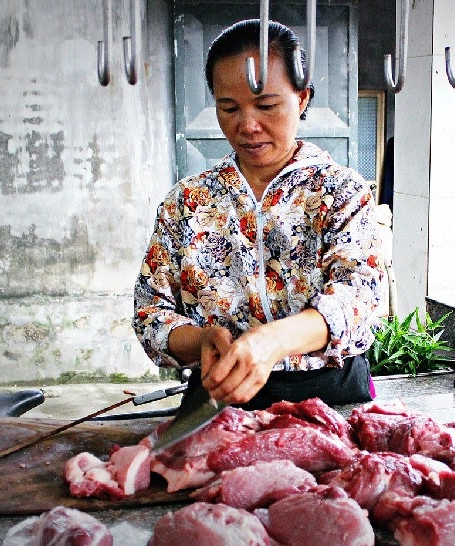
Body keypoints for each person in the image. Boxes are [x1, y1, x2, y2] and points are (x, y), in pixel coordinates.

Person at [133, 19, 385, 409]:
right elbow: (151, 313)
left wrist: (272, 341)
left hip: (330, 395)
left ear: (301, 99)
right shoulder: (186, 202)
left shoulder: (342, 192)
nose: (247, 126)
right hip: (220, 396)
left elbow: (358, 296)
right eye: (228, 107)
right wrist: (201, 340)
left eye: (266, 105)